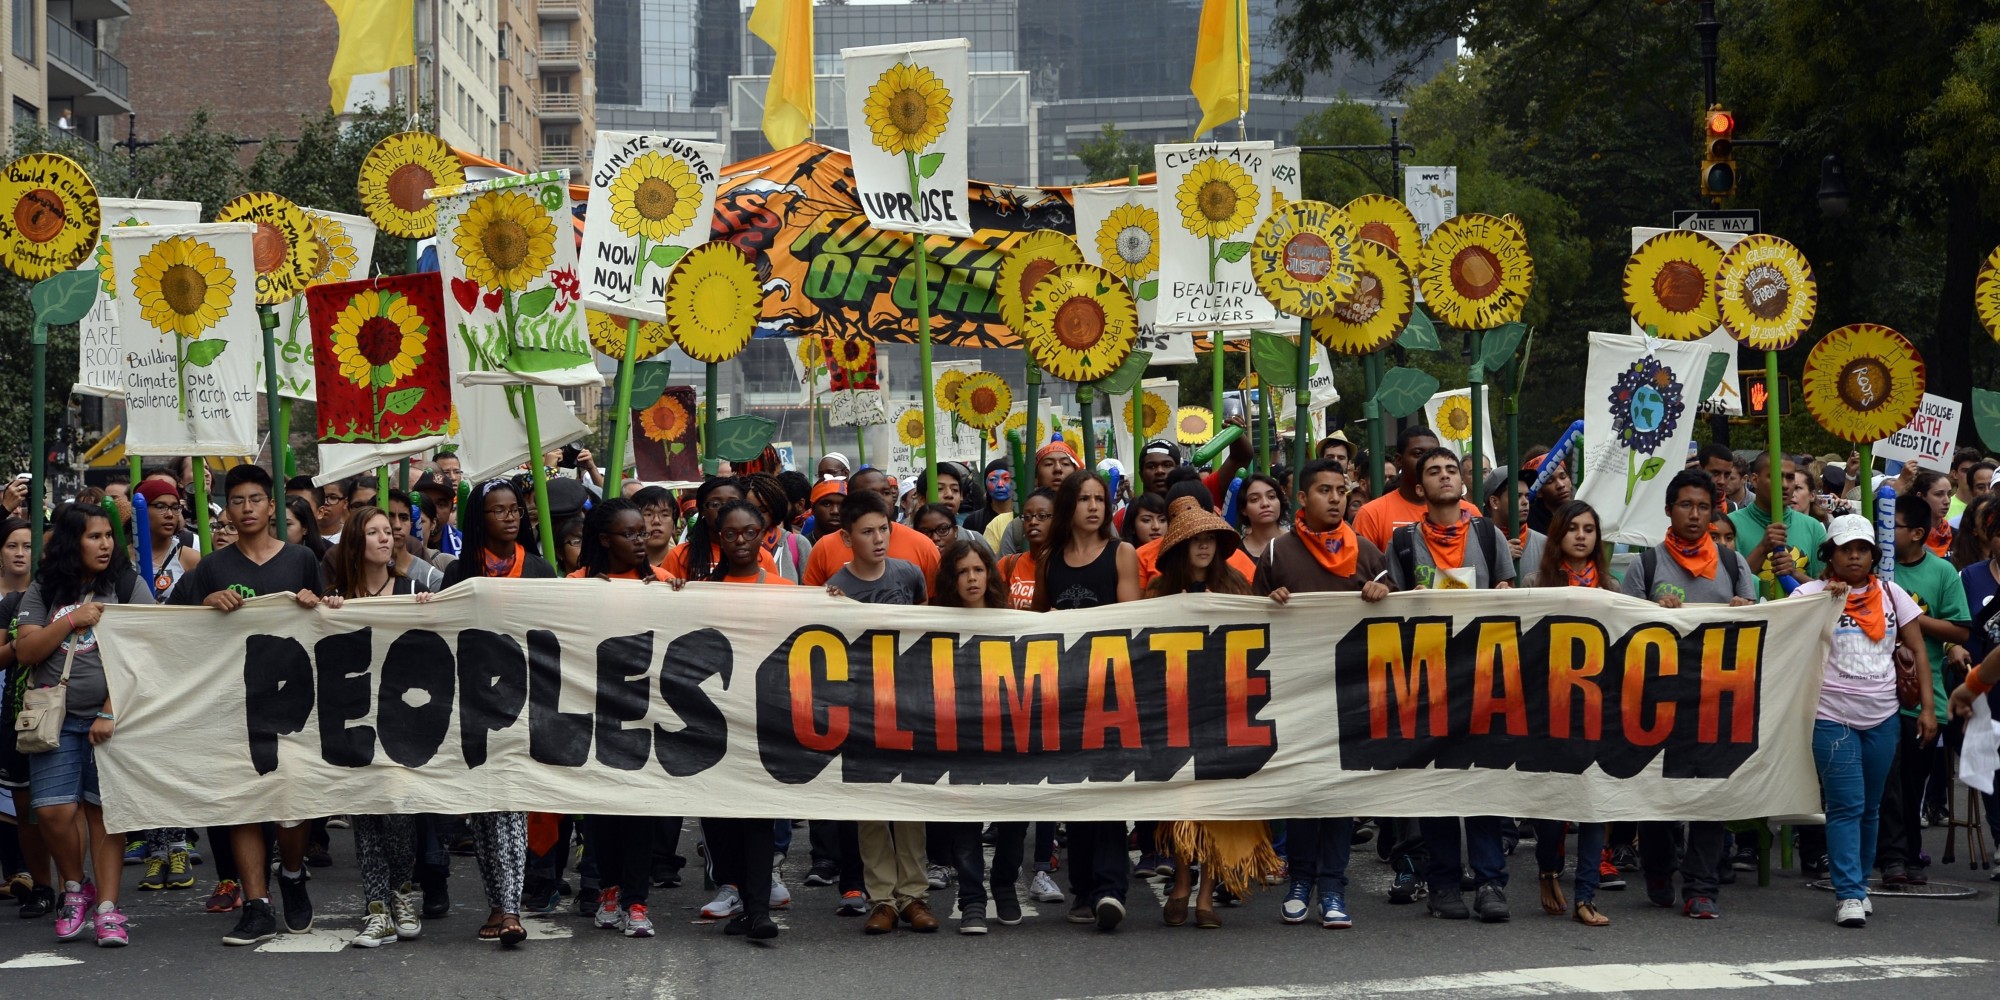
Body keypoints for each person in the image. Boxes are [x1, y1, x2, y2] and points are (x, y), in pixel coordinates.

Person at [166, 465, 329, 945]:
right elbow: (174, 629)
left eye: (256, 498)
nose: (247, 508)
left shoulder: (301, 558)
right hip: (234, 701)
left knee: (292, 805)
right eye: (237, 501)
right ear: (227, 510)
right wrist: (206, 604)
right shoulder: (212, 568)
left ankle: (293, 874)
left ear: (271, 505)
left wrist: (313, 601)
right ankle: (256, 904)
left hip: (293, 701)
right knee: (242, 803)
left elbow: (327, 620)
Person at [1254, 459, 1390, 927]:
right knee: (1302, 794)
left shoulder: (1369, 553)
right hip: (1295, 694)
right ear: (1303, 498)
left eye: (1340, 490)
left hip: (1351, 694)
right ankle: (1300, 880)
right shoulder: (1276, 554)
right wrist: (1267, 605)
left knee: (1338, 797)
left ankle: (1333, 887)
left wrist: (1381, 591)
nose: (1334, 498)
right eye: (1324, 491)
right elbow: (1248, 621)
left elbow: (1404, 610)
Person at [15, 504, 155, 946]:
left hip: (113, 723)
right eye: (94, 536)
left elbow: (149, 652)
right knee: (54, 813)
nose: (105, 544)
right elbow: (26, 651)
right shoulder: (43, 590)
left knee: (105, 816)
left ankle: (109, 909)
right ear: (71, 541)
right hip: (54, 721)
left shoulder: (126, 585)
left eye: (109, 536)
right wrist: (72, 619)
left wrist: (110, 710)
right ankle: (75, 890)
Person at [1383, 448, 1514, 922]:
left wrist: (1503, 593)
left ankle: (1489, 884)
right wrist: (1401, 599)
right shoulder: (1401, 543)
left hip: (1483, 675)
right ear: (1419, 487)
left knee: (1480, 780)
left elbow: (1512, 598)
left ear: (1464, 483)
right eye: (1433, 472)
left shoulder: (1487, 534)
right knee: (1437, 784)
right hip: (1427, 679)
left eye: (1451, 471)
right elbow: (1384, 612)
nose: (1443, 477)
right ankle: (1442, 885)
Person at [1618, 472, 1756, 919]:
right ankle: (1659, 871)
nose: (1694, 515)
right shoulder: (1647, 566)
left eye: (1702, 507)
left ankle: (1701, 885)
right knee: (1657, 795)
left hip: (1717, 701)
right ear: (1668, 510)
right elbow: (1625, 630)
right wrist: (1651, 614)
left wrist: (1743, 611)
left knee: (1710, 797)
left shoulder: (1735, 567)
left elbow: (1757, 629)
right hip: (1657, 701)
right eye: (1685, 506)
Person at [1790, 514, 1934, 927]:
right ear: (1830, 555)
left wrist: (1926, 709)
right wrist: (1824, 605)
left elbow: (1918, 651)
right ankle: (1849, 893)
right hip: (1831, 716)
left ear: (1873, 554)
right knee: (1845, 806)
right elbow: (1783, 634)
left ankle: (1860, 884)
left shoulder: (1892, 594)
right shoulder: (1812, 593)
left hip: (1884, 717)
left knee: (1871, 808)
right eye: (1845, 549)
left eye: (1862, 549)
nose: (1854, 556)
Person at [1146, 495, 1281, 930]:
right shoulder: (1158, 594)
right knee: (1183, 803)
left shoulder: (1238, 588)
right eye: (1194, 541)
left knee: (1220, 806)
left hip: (1227, 709)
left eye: (1209, 540)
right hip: (1178, 710)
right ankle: (1182, 882)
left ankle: (1204, 894)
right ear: (1181, 549)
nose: (1203, 547)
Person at [437, 478, 553, 947]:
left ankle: (510, 909)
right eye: (498, 510)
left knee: (510, 807)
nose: (510, 517)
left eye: (515, 510)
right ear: (477, 520)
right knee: (485, 811)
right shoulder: (457, 575)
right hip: (473, 707)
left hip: (524, 705)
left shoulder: (541, 571)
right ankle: (498, 900)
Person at [821, 489, 937, 933]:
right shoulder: (836, 587)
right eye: (867, 532)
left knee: (909, 804)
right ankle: (882, 900)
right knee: (871, 807)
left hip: (908, 703)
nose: (878, 538)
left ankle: (914, 896)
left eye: (884, 529)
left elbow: (928, 627)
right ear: (847, 538)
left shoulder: (909, 574)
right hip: (861, 711)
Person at [675, 498, 792, 941]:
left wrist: (830, 601)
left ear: (764, 534)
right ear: (716, 537)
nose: (741, 541)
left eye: (750, 532)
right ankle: (743, 901)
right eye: (731, 534)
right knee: (721, 823)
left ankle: (760, 911)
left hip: (764, 723)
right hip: (712, 724)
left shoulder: (783, 589)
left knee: (758, 818)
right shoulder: (699, 591)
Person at [323, 506, 433, 950]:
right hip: (354, 720)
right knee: (365, 812)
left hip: (403, 722)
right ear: (355, 541)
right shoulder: (338, 597)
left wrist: (429, 613)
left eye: (389, 531)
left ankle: (403, 893)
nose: (386, 539)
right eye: (373, 532)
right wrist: (327, 612)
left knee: (400, 811)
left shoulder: (412, 589)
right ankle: (377, 910)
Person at [1035, 472, 1139, 931]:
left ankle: (1110, 889)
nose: (1094, 507)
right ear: (1068, 508)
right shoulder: (1049, 559)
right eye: (1084, 499)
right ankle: (1083, 889)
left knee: (1108, 791)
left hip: (1110, 689)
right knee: (1074, 792)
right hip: (1064, 693)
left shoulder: (1123, 554)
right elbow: (1038, 622)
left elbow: (1134, 622)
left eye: (1100, 499)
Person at [564, 498, 671, 939]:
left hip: (645, 717)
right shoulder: (575, 584)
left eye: (642, 532)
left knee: (639, 814)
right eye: (629, 534)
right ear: (605, 540)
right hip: (594, 717)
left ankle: (637, 902)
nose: (639, 540)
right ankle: (608, 892)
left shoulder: (665, 584)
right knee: (602, 815)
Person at [1520, 499, 1619, 926]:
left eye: (1589, 529)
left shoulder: (1614, 591)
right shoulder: (1534, 582)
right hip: (1549, 711)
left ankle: (1586, 896)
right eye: (1573, 528)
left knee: (1594, 805)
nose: (1581, 535)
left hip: (1599, 712)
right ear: (1558, 534)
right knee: (1551, 809)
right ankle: (1547, 869)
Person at [1874, 492, 1968, 886]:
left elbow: (1960, 629)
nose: (1883, 534)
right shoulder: (1872, 569)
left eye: (1890, 527)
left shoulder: (1942, 573)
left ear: (1916, 533)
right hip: (1877, 694)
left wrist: (1910, 617)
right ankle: (1892, 856)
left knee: (1913, 783)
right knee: (1886, 782)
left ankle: (1911, 854)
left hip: (1923, 697)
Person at [803, 468, 939, 589]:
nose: (881, 499)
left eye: (886, 492)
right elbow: (812, 604)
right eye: (871, 493)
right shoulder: (824, 548)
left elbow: (933, 605)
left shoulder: (923, 546)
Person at [1354, 426, 1481, 551]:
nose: (1428, 461)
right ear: (1399, 460)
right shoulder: (1372, 514)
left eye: (1434, 455)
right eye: (1418, 454)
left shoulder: (1469, 512)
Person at [745, 473, 813, 583]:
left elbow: (811, 593)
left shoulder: (797, 544)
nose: (755, 517)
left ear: (774, 511)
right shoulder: (733, 546)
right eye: (749, 509)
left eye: (763, 510)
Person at [1238, 473, 1286, 561]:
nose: (1265, 504)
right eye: (1255, 499)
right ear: (1243, 510)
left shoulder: (1299, 543)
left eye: (1271, 497)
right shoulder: (1236, 553)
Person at [1913, 470, 1954, 558]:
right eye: (1939, 494)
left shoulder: (1957, 536)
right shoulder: (1909, 536)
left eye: (1949, 494)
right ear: (1920, 497)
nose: (1947, 501)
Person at [315, 477, 357, 542]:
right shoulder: (302, 533)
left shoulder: (352, 537)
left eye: (332, 497)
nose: (325, 502)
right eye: (321, 497)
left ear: (345, 503)